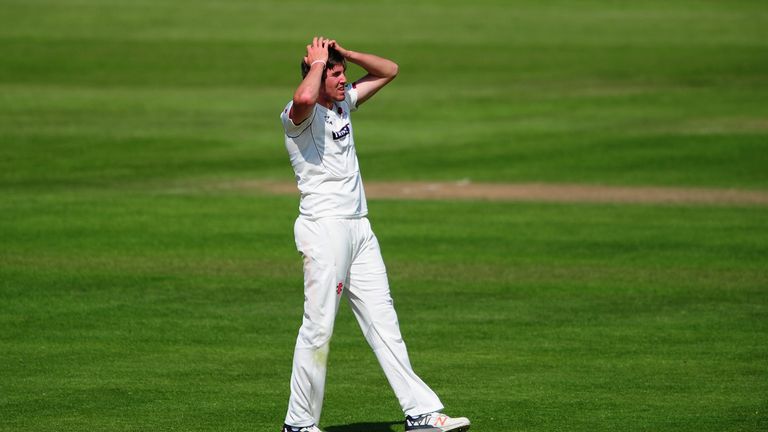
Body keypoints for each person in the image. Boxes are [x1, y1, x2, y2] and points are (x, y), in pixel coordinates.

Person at [278, 37, 471, 432]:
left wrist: (344, 54)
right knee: (318, 328)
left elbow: (389, 70)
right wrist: (316, 65)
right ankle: (298, 424)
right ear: (316, 73)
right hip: (324, 228)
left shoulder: (343, 102)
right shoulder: (300, 115)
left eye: (341, 72)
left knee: (385, 323)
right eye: (335, 73)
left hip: (359, 228)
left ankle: (420, 412)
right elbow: (301, 99)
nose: (343, 78)